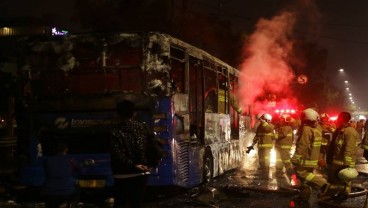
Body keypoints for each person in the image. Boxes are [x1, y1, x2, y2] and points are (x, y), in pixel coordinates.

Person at [110, 100, 151, 208]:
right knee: (136, 203)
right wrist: (148, 164)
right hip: (142, 173)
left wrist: (132, 165)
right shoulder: (143, 127)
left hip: (122, 174)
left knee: (120, 203)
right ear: (134, 113)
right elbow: (153, 147)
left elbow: (117, 153)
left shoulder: (115, 131)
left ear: (118, 114)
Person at [290, 108, 330, 207]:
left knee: (301, 173)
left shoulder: (306, 129)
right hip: (313, 158)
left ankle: (322, 184)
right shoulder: (318, 128)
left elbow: (302, 145)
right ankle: (304, 197)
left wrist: (295, 158)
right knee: (306, 179)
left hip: (306, 157)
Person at [324, 112, 359, 200]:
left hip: (342, 163)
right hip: (336, 161)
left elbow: (349, 149)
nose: (337, 120)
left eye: (338, 118)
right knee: (334, 181)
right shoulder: (341, 130)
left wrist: (347, 166)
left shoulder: (350, 132)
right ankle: (332, 195)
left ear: (342, 119)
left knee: (342, 182)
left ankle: (343, 195)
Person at [42, 142, 77, 208]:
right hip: (67, 192)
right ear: (66, 149)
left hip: (50, 192)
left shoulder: (48, 160)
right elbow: (76, 170)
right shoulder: (70, 160)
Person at [274, 113, 294, 177]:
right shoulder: (285, 127)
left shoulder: (286, 127)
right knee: (279, 159)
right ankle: (279, 172)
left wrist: (275, 136)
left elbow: (283, 135)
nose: (280, 120)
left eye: (282, 119)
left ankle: (291, 174)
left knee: (286, 160)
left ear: (285, 120)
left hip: (283, 147)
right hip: (280, 146)